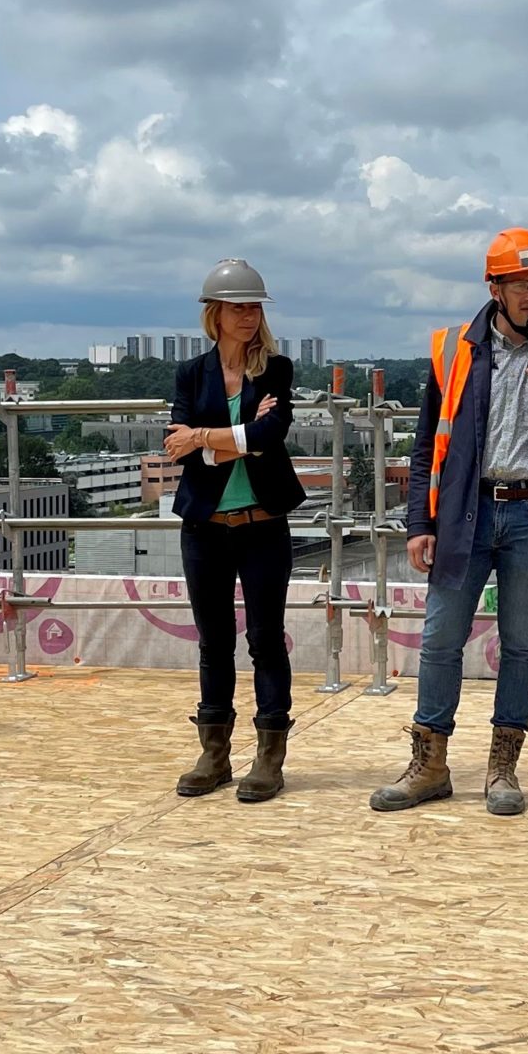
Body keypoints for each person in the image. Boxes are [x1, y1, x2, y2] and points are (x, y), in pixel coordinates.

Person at [372, 228, 528, 817]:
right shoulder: (455, 348)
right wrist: (418, 523)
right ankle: (429, 766)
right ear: (495, 287)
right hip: (464, 514)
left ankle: (502, 770)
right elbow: (428, 443)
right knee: (439, 640)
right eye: (525, 284)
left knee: (523, 645)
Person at [165, 259, 306, 803]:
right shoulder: (191, 373)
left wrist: (205, 436)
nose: (249, 316)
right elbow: (175, 444)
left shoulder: (276, 368)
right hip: (204, 526)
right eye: (238, 307)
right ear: (215, 314)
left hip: (263, 524)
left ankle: (269, 755)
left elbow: (271, 435)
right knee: (214, 641)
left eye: (255, 307)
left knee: (266, 639)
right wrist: (234, 435)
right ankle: (214, 752)